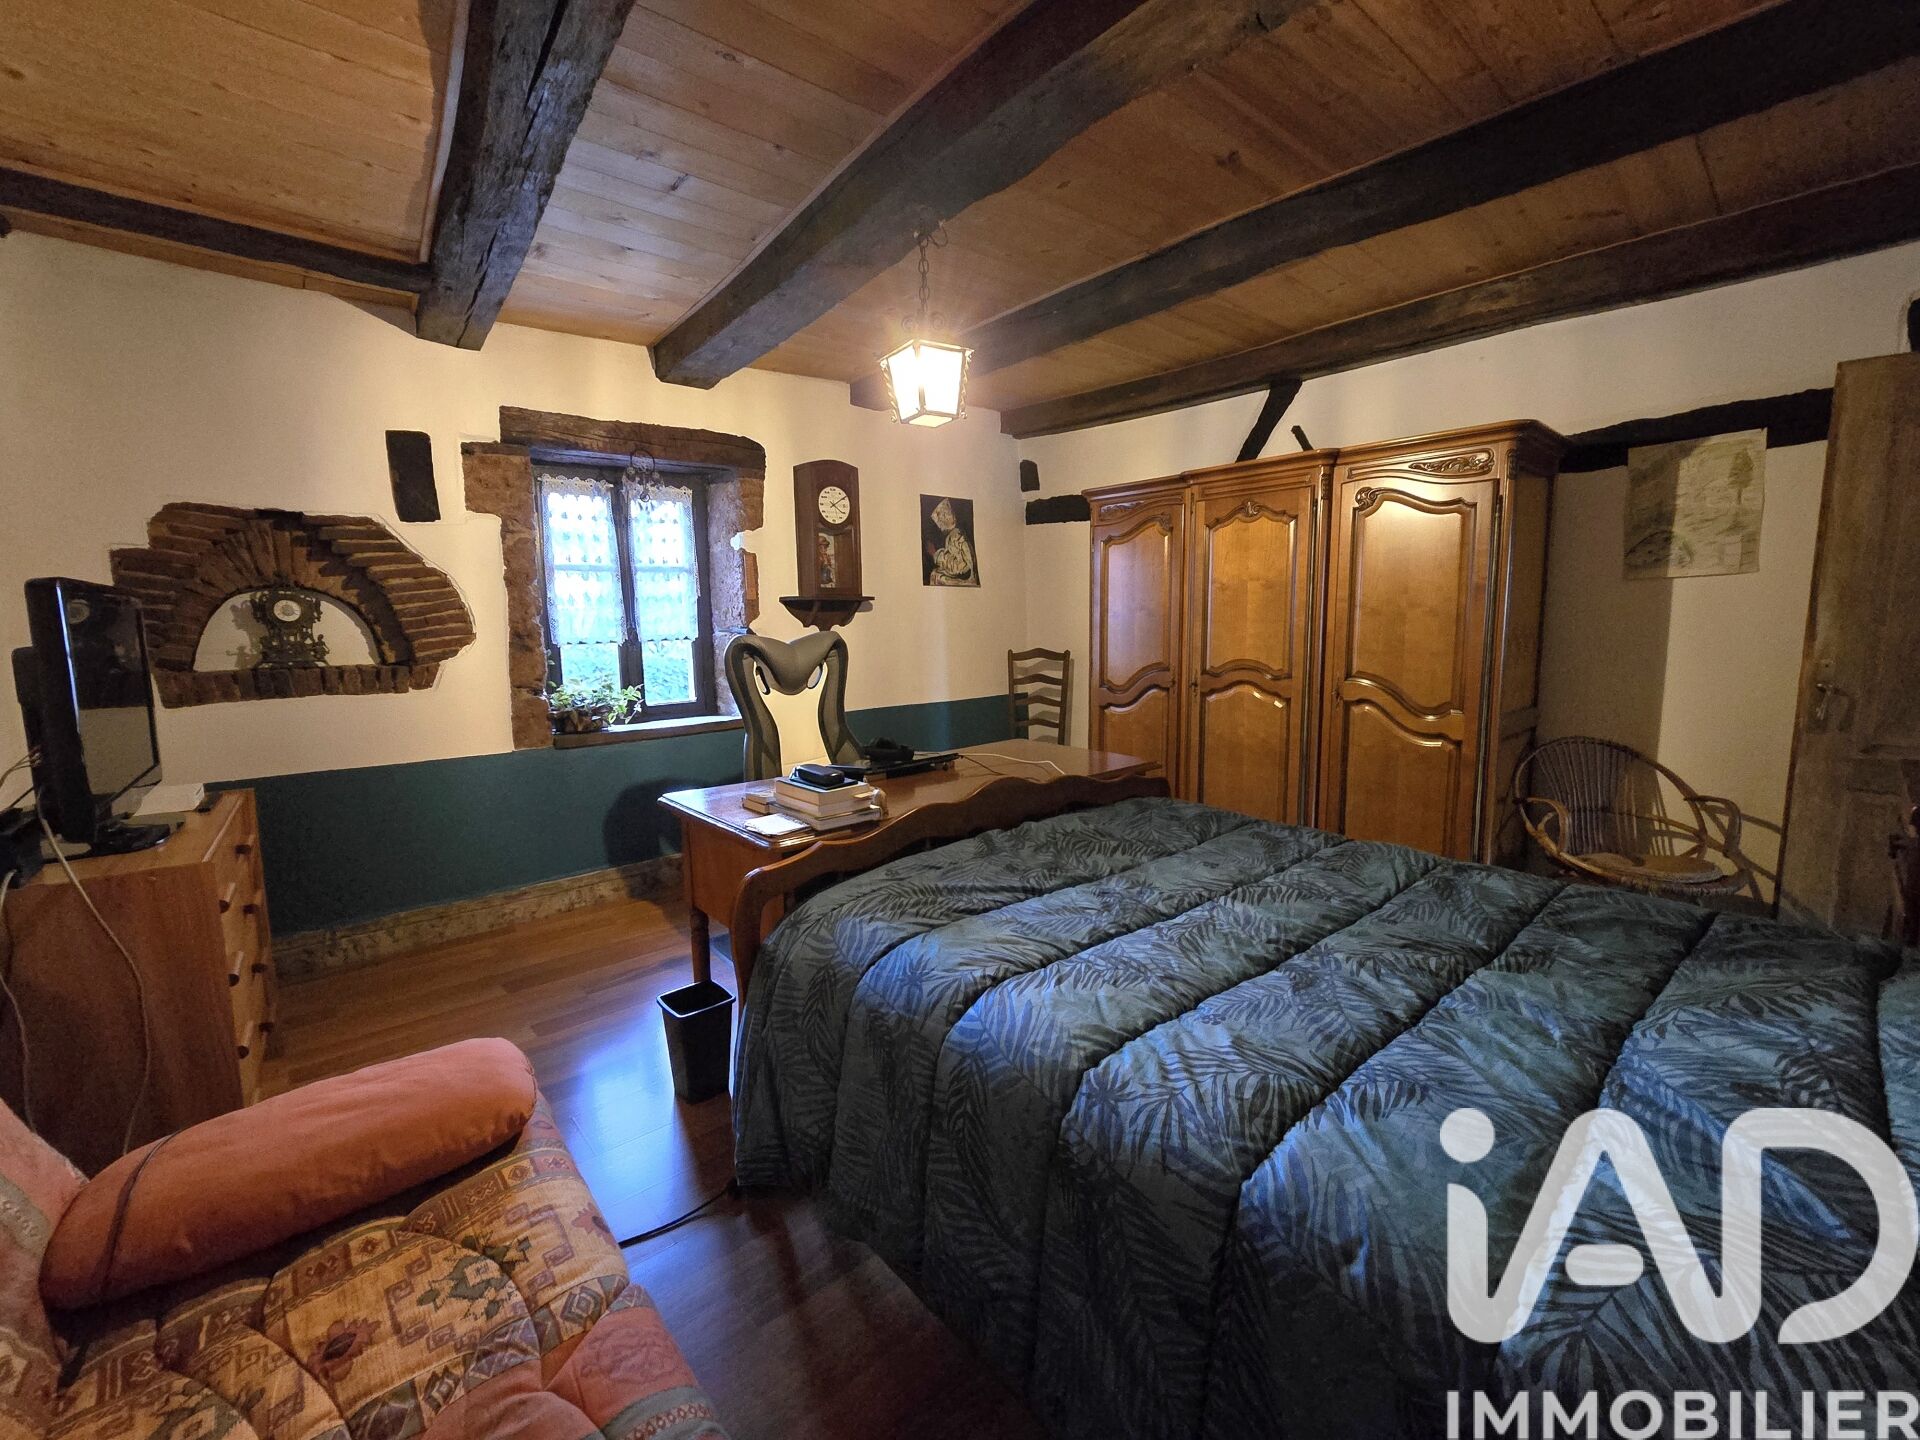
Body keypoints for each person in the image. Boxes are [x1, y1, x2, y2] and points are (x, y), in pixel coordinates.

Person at [924, 497, 976, 586]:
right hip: (966, 577)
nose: (939, 526)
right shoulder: (957, 533)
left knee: (936, 575)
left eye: (938, 521)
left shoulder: (955, 536)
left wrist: (935, 554)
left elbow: (960, 567)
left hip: (966, 581)